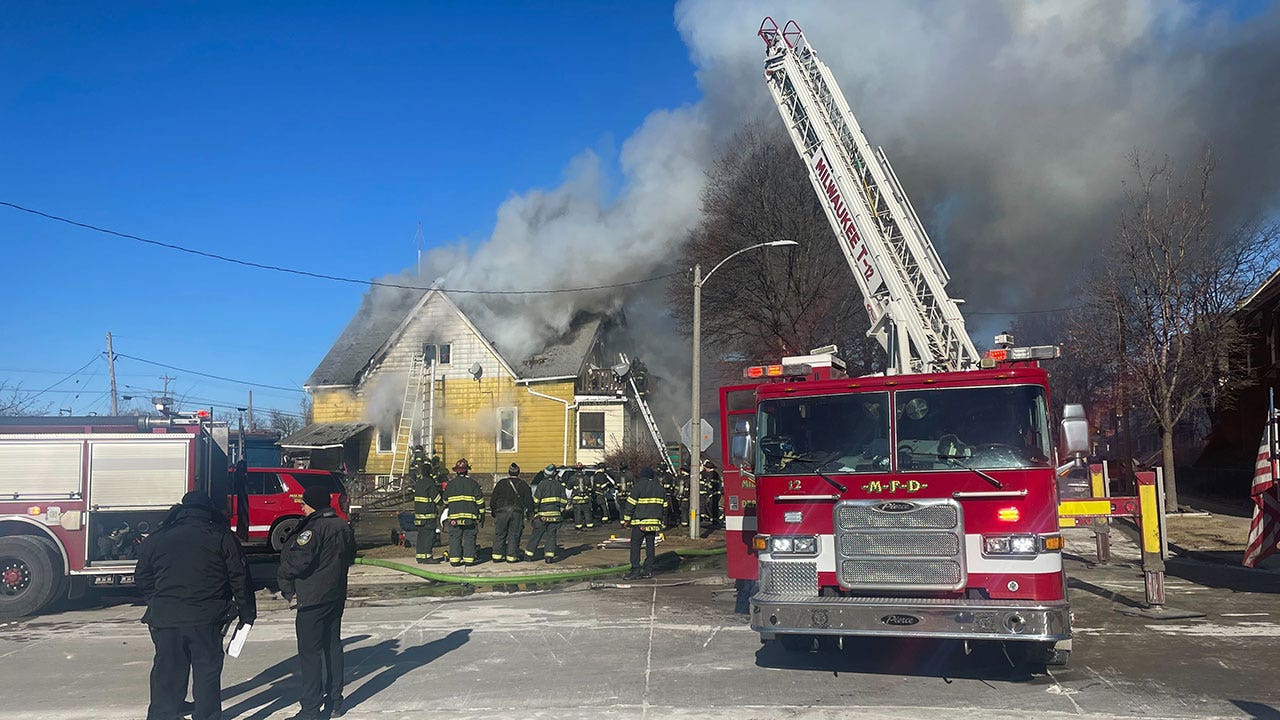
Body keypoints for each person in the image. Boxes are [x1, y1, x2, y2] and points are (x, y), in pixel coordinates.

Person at [135, 491, 255, 720]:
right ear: (209, 510)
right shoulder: (221, 536)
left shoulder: (160, 536)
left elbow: (142, 576)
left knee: (167, 675)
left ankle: (164, 715)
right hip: (207, 619)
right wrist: (247, 613)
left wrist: (156, 600)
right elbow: (239, 577)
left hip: (166, 618)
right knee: (207, 675)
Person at [278, 484, 357, 720]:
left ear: (312, 504)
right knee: (333, 647)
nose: (302, 507)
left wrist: (283, 576)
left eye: (304, 503)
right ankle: (335, 700)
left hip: (312, 598)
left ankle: (310, 708)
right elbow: (350, 556)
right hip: (335, 595)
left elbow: (298, 561)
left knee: (310, 654)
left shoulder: (312, 530)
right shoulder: (342, 526)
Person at [622, 466, 666, 580]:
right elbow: (665, 507)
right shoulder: (660, 488)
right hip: (654, 524)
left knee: (635, 546)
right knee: (650, 546)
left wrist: (626, 520)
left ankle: (635, 570)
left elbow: (630, 505)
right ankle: (648, 571)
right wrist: (662, 522)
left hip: (640, 523)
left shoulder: (638, 487)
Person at [442, 458, 484, 566]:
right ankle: (469, 560)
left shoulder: (450, 485)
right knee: (469, 537)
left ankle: (455, 561)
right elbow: (480, 501)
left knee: (455, 538)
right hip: (470, 518)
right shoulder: (473, 484)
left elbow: (445, 501)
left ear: (456, 471)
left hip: (454, 519)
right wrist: (481, 514)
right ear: (467, 470)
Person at [526, 463, 569, 563]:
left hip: (543, 516)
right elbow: (564, 501)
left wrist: (535, 512)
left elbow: (536, 501)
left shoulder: (541, 484)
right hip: (555, 517)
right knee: (551, 536)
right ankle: (549, 557)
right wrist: (560, 510)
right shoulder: (560, 486)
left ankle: (528, 555)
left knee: (536, 535)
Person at [491, 463, 533, 562]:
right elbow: (529, 501)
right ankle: (511, 556)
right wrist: (530, 513)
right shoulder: (523, 484)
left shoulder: (501, 483)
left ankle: (497, 555)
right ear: (519, 472)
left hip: (501, 512)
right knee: (514, 534)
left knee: (500, 533)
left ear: (508, 472)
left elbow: (493, 499)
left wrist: (494, 511)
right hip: (516, 512)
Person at [411, 445, 442, 563]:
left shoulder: (418, 483)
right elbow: (436, 498)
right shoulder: (430, 482)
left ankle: (420, 556)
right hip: (428, 514)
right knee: (429, 536)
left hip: (418, 514)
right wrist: (442, 503)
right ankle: (428, 557)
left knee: (421, 536)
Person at [700, 459, 723, 528]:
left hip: (712, 494)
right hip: (715, 494)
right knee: (713, 507)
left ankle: (713, 520)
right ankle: (714, 520)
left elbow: (709, 485)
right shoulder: (716, 474)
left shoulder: (709, 474)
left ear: (708, 468)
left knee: (711, 507)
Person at [570, 462, 593, 529]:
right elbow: (589, 487)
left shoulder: (572, 478)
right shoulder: (586, 477)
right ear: (582, 469)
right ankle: (589, 525)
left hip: (577, 499)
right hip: (585, 498)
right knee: (587, 512)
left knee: (577, 513)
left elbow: (568, 487)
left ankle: (578, 526)